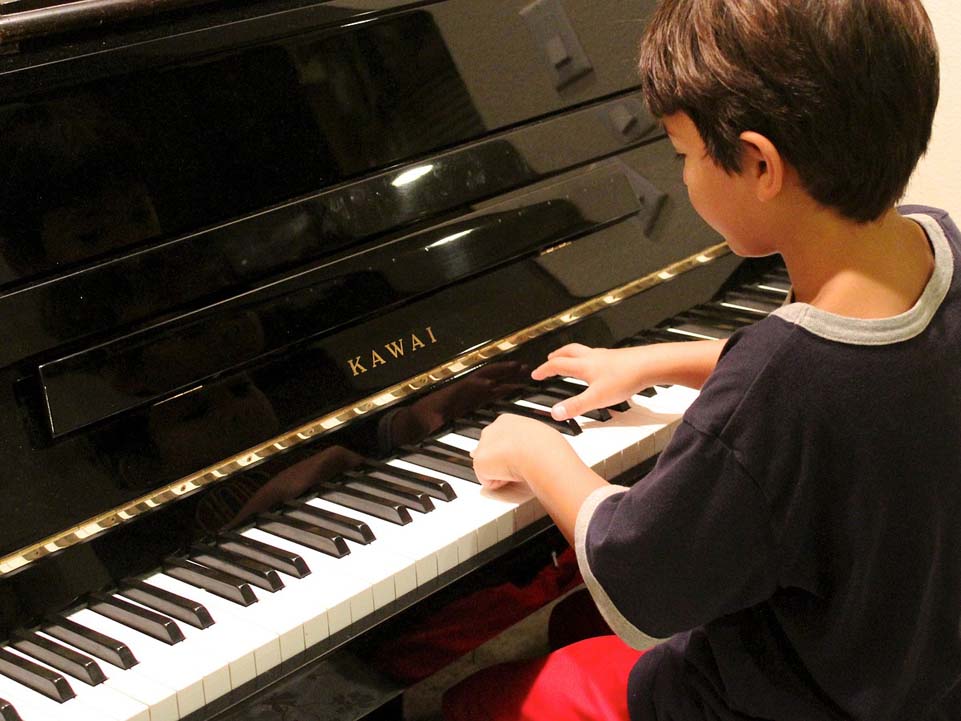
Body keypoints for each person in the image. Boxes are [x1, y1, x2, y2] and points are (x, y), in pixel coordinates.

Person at [443, 0, 961, 719]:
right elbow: (844, 378)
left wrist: (537, 453)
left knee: (478, 699)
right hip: (906, 666)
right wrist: (657, 359)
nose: (682, 177)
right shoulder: (935, 244)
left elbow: (637, 579)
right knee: (570, 625)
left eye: (682, 155)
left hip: (778, 699)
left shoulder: (777, 382)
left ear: (759, 164)